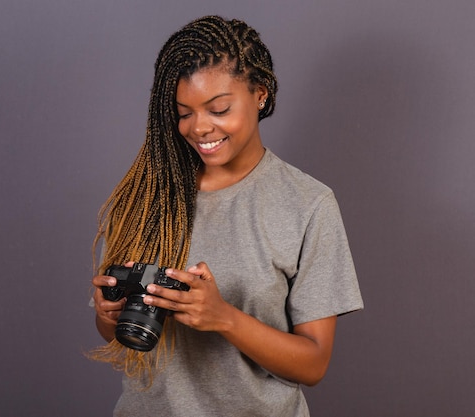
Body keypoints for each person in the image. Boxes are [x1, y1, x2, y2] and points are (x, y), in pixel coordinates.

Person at [90, 15, 363, 416]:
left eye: (218, 109)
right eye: (184, 112)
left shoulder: (308, 204)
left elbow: (314, 362)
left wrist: (224, 318)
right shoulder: (146, 194)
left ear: (260, 95)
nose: (199, 127)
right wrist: (106, 313)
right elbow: (116, 333)